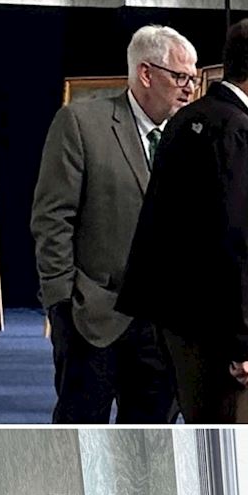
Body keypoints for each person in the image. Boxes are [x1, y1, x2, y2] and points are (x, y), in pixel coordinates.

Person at [117, 18, 248, 423]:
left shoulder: (188, 120)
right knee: (235, 438)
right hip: (219, 338)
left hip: (178, 325)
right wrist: (243, 345)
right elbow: (235, 247)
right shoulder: (237, 133)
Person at [32, 26, 197, 424]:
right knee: (81, 429)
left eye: (193, 78)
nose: (190, 88)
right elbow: (52, 218)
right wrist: (61, 304)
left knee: (152, 438)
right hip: (93, 318)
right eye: (180, 77)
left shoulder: (192, 135)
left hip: (165, 328)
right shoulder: (81, 123)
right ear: (146, 73)